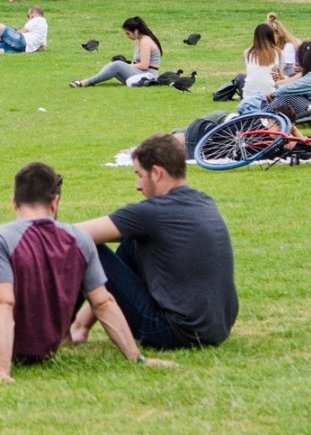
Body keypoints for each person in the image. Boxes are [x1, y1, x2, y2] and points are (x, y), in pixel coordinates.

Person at [0, 162, 171, 379]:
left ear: (14, 202)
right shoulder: (81, 239)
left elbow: (2, 303)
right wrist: (137, 358)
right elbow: (103, 302)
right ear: (55, 202)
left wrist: (1, 370)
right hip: (42, 350)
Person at [68, 133, 237, 351]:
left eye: (139, 175)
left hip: (171, 332)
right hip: (217, 329)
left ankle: (68, 330)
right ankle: (81, 326)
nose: (138, 186)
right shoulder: (204, 202)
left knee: (84, 246)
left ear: (156, 173)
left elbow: (72, 236)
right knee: (131, 243)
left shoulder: (152, 213)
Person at [71, 17, 162, 87]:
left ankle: (85, 82)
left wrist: (128, 65)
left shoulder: (145, 41)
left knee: (117, 64)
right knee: (114, 64)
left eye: (128, 33)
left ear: (136, 31)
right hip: (139, 74)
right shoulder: (139, 40)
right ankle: (91, 80)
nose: (127, 36)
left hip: (148, 76)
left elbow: (144, 65)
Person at [236, 23, 281, 114]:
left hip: (248, 95)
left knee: (241, 78)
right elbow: (280, 74)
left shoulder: (247, 53)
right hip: (269, 95)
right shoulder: (278, 53)